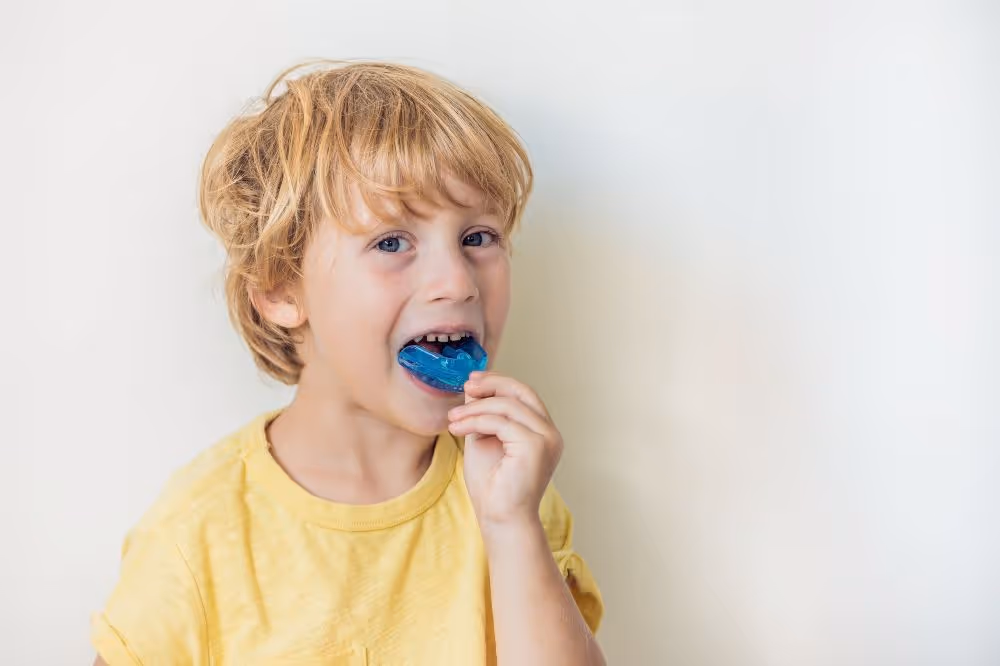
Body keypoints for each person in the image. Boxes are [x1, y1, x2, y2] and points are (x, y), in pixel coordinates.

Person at [90, 60, 605, 666]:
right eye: (392, 242)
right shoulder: (197, 537)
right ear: (282, 290)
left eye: (478, 238)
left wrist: (513, 526)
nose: (455, 281)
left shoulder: (511, 490)